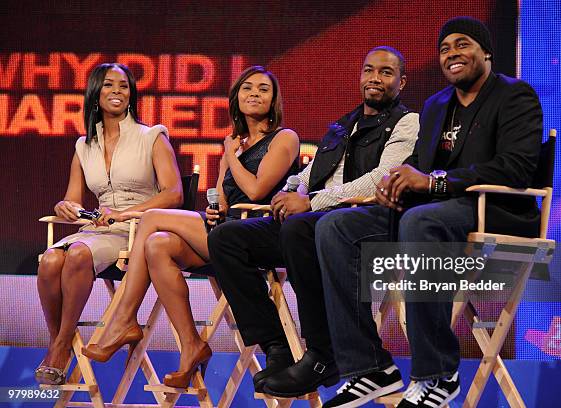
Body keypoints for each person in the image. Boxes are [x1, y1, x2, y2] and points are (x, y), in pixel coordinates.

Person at [316, 17, 543, 408]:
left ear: (486, 51)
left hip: (497, 210)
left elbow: (516, 167)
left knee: (421, 220)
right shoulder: (437, 104)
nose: (452, 53)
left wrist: (434, 183)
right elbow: (421, 164)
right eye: (445, 48)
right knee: (335, 225)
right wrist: (400, 184)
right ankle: (369, 367)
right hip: (438, 210)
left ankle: (437, 374)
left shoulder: (515, 95)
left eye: (463, 44)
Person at [207, 46, 420, 397]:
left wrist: (310, 201)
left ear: (401, 81)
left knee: (300, 227)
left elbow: (382, 176)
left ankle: (321, 353)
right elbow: (315, 170)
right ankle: (277, 347)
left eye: (385, 72)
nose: (375, 78)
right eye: (369, 70)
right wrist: (291, 192)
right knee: (227, 238)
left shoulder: (407, 121)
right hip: (314, 219)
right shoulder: (345, 123)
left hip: (355, 221)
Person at [81, 66, 300, 389]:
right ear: (236, 98)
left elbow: (255, 190)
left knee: (153, 218)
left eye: (263, 89)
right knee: (157, 244)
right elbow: (223, 204)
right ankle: (191, 345)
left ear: (274, 99)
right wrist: (216, 207)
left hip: (260, 236)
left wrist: (228, 155)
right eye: (247, 88)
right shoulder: (235, 147)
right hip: (226, 235)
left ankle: (125, 318)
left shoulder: (285, 138)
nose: (254, 94)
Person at [35, 63, 183, 385]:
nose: (117, 91)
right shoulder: (83, 146)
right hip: (97, 229)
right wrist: (66, 207)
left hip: (137, 230)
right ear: (95, 93)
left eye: (124, 86)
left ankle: (61, 347)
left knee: (76, 255)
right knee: (49, 260)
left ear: (131, 95)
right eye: (108, 85)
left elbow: (174, 194)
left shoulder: (152, 137)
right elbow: (72, 199)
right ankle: (58, 338)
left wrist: (127, 213)